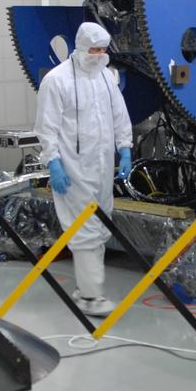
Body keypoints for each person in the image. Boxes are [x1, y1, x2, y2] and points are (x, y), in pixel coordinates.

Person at [34, 22, 133, 317]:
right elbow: (46, 127)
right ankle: (91, 296)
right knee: (86, 229)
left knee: (101, 223)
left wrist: (125, 148)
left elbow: (119, 114)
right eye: (94, 50)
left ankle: (86, 288)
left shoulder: (106, 77)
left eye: (103, 50)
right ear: (80, 48)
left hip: (102, 166)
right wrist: (53, 162)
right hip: (73, 167)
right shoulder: (57, 80)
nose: (99, 55)